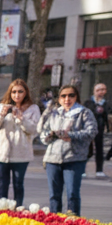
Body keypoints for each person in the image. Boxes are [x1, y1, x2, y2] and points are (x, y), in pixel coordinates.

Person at [40, 84, 97, 216]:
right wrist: (48, 135)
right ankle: (54, 222)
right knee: (54, 195)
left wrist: (70, 135)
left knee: (72, 193)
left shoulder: (83, 112)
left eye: (71, 95)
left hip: (74, 158)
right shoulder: (54, 113)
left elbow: (92, 131)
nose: (67, 99)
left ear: (76, 97)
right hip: (52, 159)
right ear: (59, 99)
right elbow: (43, 132)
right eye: (63, 96)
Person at [0, 80, 40, 208]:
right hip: (2, 152)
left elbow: (34, 130)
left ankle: (18, 208)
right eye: (14, 92)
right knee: (2, 184)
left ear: (25, 92)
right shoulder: (2, 106)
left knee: (18, 183)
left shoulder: (33, 109)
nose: (17, 95)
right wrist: (2, 115)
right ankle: (2, 209)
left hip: (21, 152)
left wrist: (21, 118)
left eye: (20, 92)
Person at [85, 84, 110, 180]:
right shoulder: (88, 102)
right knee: (87, 149)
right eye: (99, 90)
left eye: (103, 89)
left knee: (99, 149)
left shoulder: (107, 103)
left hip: (100, 129)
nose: (101, 92)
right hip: (88, 129)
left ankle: (99, 170)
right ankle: (82, 170)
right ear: (94, 91)